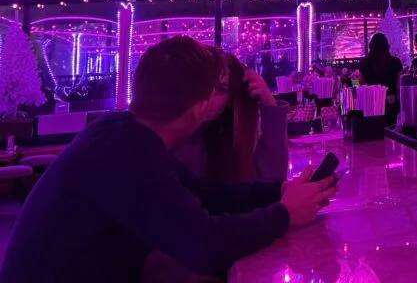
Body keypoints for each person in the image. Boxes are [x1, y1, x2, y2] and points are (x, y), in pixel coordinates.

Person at [0, 37, 337, 283]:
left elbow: (205, 193)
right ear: (203, 105)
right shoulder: (128, 154)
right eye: (219, 89)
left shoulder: (121, 132)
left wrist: (278, 191)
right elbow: (204, 245)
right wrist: (285, 214)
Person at [173, 49, 289, 182]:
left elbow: (270, 185)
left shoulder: (227, 139)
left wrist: (270, 105)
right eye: (205, 84)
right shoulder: (170, 138)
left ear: (229, 100)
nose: (209, 96)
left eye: (220, 89)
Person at [358, 33, 404, 125]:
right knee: (390, 128)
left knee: (372, 128)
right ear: (387, 46)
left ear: (371, 46)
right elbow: (399, 85)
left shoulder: (364, 62)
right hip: (390, 101)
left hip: (371, 102)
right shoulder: (395, 61)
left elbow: (361, 83)